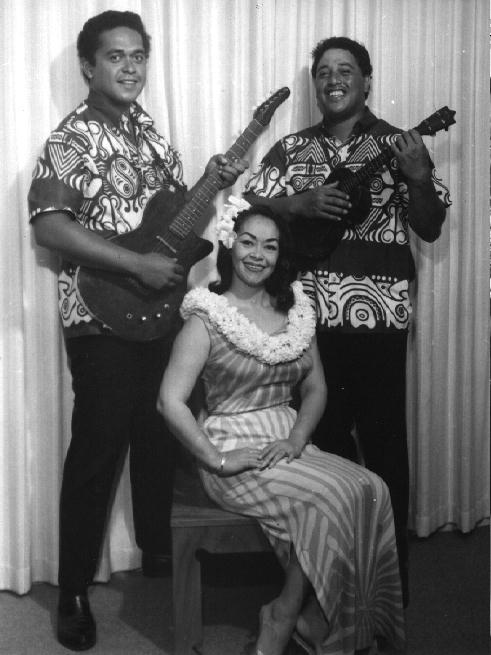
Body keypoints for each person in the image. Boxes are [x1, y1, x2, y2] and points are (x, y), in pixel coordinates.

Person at [28, 10, 247, 651]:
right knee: (97, 452)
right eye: (115, 56)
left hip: (161, 314)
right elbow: (49, 225)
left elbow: (172, 225)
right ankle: (71, 592)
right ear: (88, 67)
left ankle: (159, 552)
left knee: (163, 431)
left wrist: (211, 184)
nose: (129, 67)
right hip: (98, 318)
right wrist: (135, 265)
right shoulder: (71, 138)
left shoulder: (153, 136)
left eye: (137, 56)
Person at [243, 36, 451, 605]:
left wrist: (414, 176)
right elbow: (250, 210)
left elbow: (430, 226)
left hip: (378, 322)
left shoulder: (400, 143)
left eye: (346, 70)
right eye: (324, 72)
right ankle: (326, 584)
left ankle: (389, 592)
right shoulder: (290, 150)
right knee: (319, 453)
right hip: (306, 325)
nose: (333, 79)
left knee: (384, 452)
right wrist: (298, 205)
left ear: (367, 81)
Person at [158, 203, 406, 655]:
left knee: (371, 488)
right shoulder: (206, 317)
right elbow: (169, 401)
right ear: (231, 245)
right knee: (330, 497)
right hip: (233, 447)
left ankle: (313, 617)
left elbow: (316, 388)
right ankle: (284, 615)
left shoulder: (297, 312)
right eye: (249, 242)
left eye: (270, 246)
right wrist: (217, 458)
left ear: (280, 255)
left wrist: (296, 439)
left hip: (287, 439)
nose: (258, 255)